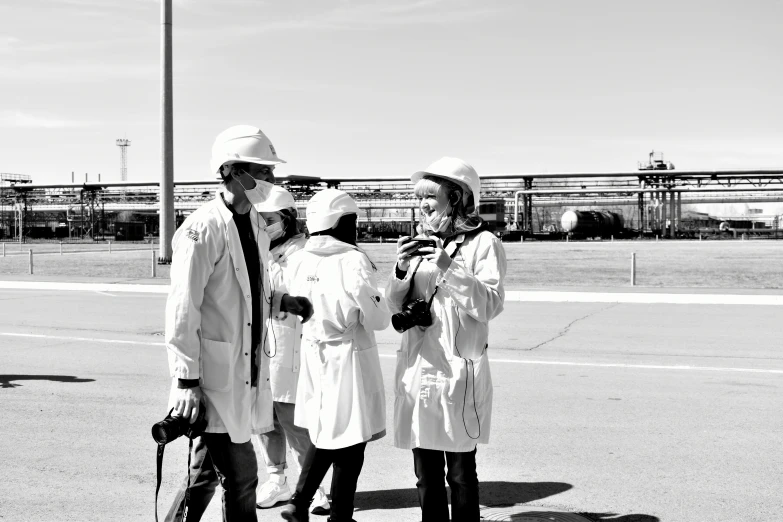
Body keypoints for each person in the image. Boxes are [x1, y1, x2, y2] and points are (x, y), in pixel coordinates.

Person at [164, 125, 313, 522]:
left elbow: (249, 292)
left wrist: (282, 301)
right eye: (262, 171)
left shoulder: (255, 226)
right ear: (231, 170)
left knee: (203, 477)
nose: (271, 180)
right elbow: (183, 308)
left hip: (243, 371)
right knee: (243, 476)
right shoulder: (202, 229)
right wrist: (186, 380)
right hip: (211, 378)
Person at [385, 157, 507, 522]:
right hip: (419, 367)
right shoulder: (424, 243)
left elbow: (489, 304)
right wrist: (402, 269)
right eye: (419, 198)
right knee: (425, 472)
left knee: (459, 472)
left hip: (457, 370)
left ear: (456, 197)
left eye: (430, 197)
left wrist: (447, 266)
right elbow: (394, 302)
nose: (423, 205)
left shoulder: (484, 243)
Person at [278, 189, 390, 522]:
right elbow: (379, 319)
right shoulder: (353, 259)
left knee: (328, 430)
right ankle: (337, 514)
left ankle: (300, 502)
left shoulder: (298, 258)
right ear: (342, 222)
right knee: (352, 439)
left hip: (313, 352)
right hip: (348, 356)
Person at [251, 186, 330, 514]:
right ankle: (277, 480)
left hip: (292, 350)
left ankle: (317, 488)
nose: (262, 225)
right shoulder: (259, 251)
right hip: (260, 349)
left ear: (287, 218)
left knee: (294, 420)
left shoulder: (305, 253)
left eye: (268, 219)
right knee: (263, 419)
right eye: (258, 219)